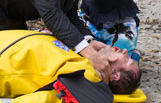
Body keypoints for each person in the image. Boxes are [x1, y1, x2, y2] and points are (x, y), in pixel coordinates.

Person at [0, 30, 141, 103]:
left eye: (127, 60)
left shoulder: (83, 81)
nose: (124, 51)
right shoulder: (84, 56)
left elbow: (47, 99)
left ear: (115, 74)